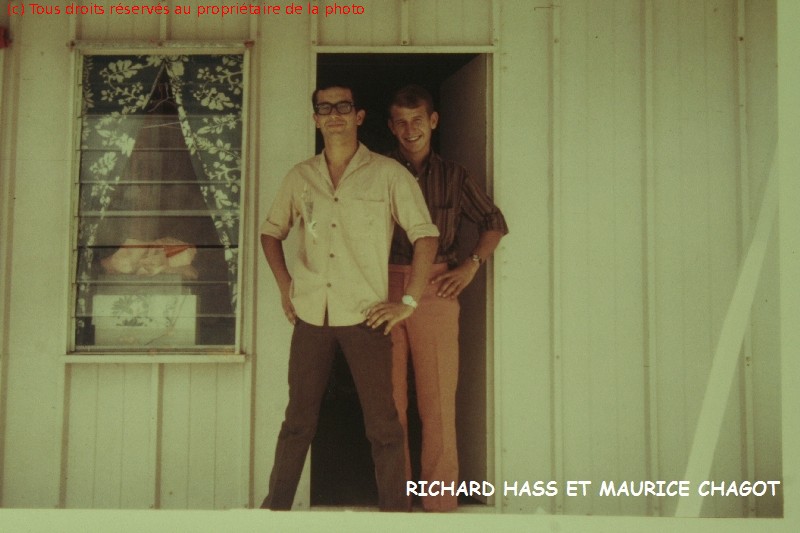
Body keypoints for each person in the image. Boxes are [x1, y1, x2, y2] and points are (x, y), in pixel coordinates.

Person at [259, 83, 439, 511]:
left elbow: (425, 235)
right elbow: (271, 232)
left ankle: (395, 514)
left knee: (383, 425)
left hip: (365, 315)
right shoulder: (300, 177)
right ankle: (274, 513)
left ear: (359, 116)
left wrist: (409, 302)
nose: (334, 114)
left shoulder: (388, 174)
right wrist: (286, 287)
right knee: (298, 421)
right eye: (325, 108)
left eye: (343, 106)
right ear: (316, 119)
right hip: (311, 315)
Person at [386, 84, 508, 512]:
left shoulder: (455, 176)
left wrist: (470, 265)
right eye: (401, 122)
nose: (410, 130)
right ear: (391, 127)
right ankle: (396, 499)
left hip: (437, 288)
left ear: (433, 121)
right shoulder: (379, 172)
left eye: (417, 120)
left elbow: (494, 221)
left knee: (437, 398)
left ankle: (439, 502)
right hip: (385, 286)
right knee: (389, 400)